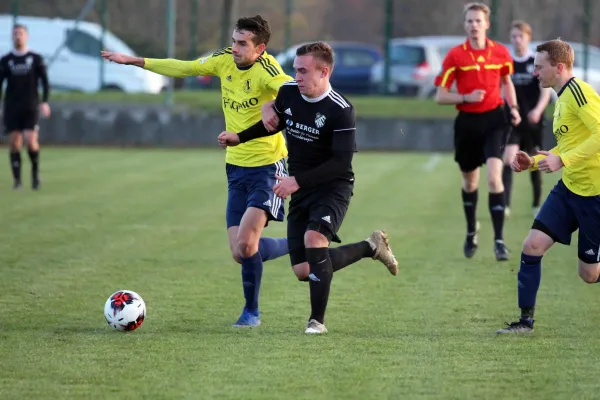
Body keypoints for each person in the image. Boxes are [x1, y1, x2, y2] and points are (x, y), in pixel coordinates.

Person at [101, 15, 293, 328]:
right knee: (240, 251)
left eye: (243, 44)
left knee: (247, 245)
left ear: (260, 49)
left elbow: (287, 85)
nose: (234, 48)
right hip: (235, 167)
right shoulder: (223, 61)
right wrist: (134, 61)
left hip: (267, 168)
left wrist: (282, 101)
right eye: (233, 40)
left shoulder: (267, 69)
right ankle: (297, 242)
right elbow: (185, 67)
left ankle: (251, 313)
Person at [218, 42, 399, 334]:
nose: (296, 76)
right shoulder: (289, 92)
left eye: (303, 71)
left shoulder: (341, 110)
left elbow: (341, 163)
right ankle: (370, 247)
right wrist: (240, 137)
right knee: (304, 270)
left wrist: (295, 181)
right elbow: (273, 123)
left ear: (324, 72)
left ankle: (316, 321)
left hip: (333, 187)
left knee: (315, 241)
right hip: (300, 188)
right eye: (295, 70)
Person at [496, 39, 600, 334]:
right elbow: (569, 144)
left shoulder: (579, 93)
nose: (535, 73)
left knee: (589, 275)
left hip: (595, 195)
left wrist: (563, 159)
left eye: (539, 67)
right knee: (532, 245)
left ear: (559, 67)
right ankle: (525, 322)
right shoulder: (561, 96)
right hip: (569, 189)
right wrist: (531, 162)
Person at [434, 2, 521, 261]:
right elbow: (440, 95)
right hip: (468, 124)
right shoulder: (455, 56)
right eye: (470, 21)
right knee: (470, 181)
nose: (474, 25)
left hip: (495, 120)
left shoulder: (501, 53)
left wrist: (514, 108)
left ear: (487, 24)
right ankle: (472, 230)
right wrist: (466, 96)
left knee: (494, 179)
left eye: (478, 21)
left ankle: (499, 241)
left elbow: (507, 82)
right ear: (465, 25)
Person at [502, 20, 551, 219]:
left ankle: (536, 204)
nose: (516, 40)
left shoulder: (535, 62)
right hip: (513, 120)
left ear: (528, 38)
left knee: (532, 160)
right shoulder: (508, 62)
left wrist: (538, 110)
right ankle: (505, 204)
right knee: (508, 158)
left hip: (532, 121)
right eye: (513, 36)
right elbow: (502, 89)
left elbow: (545, 91)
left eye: (520, 36)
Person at [1, 23, 50, 190]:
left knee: (30, 140)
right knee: (14, 143)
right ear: (12, 37)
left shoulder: (36, 58)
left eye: (21, 33)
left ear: (26, 36)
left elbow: (45, 81)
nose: (18, 36)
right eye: (15, 33)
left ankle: (35, 176)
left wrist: (44, 102)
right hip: (12, 106)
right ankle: (17, 181)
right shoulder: (6, 60)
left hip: (31, 105)